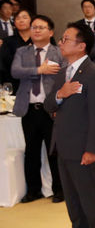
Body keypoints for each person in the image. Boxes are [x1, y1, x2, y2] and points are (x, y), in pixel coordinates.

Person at [44, 22, 95, 228]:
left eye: (65, 39)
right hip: (62, 145)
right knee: (72, 199)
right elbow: (50, 105)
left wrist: (92, 149)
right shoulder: (63, 72)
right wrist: (62, 94)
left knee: (89, 197)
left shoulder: (94, 73)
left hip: (83, 148)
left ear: (81, 46)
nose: (61, 42)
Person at [12, 15, 66, 203]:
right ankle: (33, 191)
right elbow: (15, 71)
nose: (36, 30)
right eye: (34, 27)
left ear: (50, 32)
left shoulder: (59, 52)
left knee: (55, 150)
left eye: (41, 27)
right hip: (29, 108)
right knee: (31, 151)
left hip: (51, 109)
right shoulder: (22, 52)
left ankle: (59, 189)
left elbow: (67, 75)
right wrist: (38, 70)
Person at [0, 8, 33, 93]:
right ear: (14, 23)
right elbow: (4, 65)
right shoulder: (7, 41)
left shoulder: (39, 40)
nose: (21, 20)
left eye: (25, 17)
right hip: (14, 86)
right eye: (18, 18)